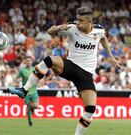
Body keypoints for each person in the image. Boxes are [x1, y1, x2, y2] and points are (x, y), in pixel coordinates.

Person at [8, 7, 121, 135]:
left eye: (81, 21)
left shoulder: (99, 30)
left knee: (90, 109)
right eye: (77, 20)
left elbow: (103, 37)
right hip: (70, 65)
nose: (78, 23)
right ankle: (24, 90)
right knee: (49, 60)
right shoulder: (72, 28)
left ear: (90, 21)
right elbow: (50, 32)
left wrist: (110, 56)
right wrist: (58, 28)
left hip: (86, 74)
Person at [18, 56, 39, 127]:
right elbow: (16, 78)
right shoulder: (22, 71)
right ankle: (30, 121)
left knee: (35, 106)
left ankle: (32, 108)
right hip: (26, 92)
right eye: (27, 60)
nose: (28, 62)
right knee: (28, 107)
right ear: (25, 62)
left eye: (29, 60)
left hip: (34, 91)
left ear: (32, 61)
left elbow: (39, 77)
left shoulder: (35, 69)